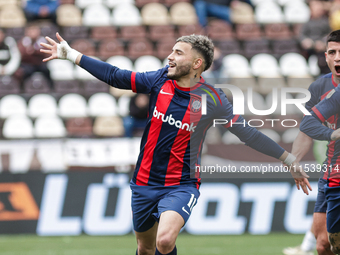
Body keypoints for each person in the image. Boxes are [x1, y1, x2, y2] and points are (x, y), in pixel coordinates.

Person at [40, 33, 311, 255]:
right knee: (145, 249)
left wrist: (287, 158)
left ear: (197, 64)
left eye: (179, 52)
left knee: (165, 240)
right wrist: (73, 56)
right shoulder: (160, 80)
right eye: (172, 50)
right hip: (144, 183)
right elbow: (117, 75)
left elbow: (247, 133)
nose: (170, 56)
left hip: (181, 184)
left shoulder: (213, 99)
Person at [300, 29, 340, 255]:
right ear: (325, 56)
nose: (337, 57)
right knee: (324, 244)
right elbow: (307, 124)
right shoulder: (323, 88)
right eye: (332, 52)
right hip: (332, 172)